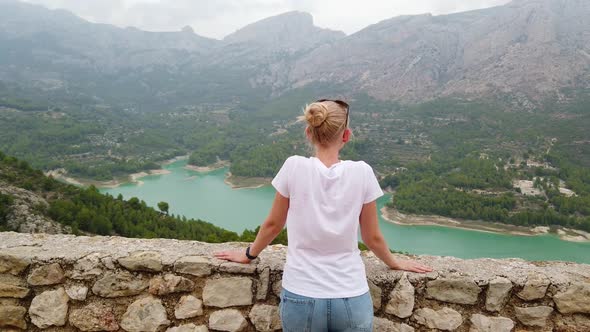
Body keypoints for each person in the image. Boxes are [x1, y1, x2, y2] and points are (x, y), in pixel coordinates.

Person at [215, 99, 432, 331]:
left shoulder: (294, 166)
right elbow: (372, 238)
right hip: (350, 293)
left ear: (309, 133)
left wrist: (248, 255)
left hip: (301, 292)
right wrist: (394, 262)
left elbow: (273, 225)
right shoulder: (362, 172)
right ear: (346, 136)